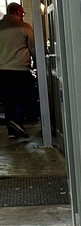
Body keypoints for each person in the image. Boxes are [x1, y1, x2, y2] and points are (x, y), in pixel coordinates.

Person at [0, 3, 35, 139]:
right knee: (24, 96)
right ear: (16, 12)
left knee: (8, 99)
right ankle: (17, 119)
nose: (23, 16)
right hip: (20, 68)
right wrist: (38, 63)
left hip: (2, 69)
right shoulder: (24, 27)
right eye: (22, 13)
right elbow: (33, 47)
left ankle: (12, 131)